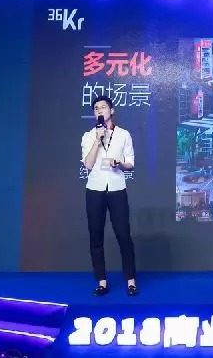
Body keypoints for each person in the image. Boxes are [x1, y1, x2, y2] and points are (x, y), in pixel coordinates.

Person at [81, 96, 138, 297]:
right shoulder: (88, 136)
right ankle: (102, 281)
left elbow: (131, 163)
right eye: (96, 108)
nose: (99, 110)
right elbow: (88, 164)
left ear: (111, 110)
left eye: (103, 107)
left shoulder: (123, 135)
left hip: (117, 189)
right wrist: (98, 140)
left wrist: (120, 163)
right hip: (94, 190)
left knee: (123, 235)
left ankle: (131, 281)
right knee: (95, 236)